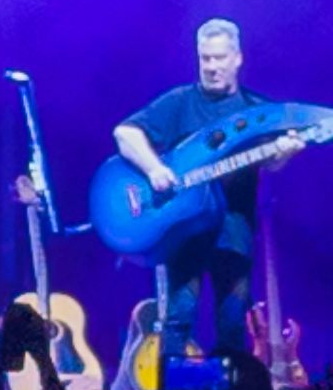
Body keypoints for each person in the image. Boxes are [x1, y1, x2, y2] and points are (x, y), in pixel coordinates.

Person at [111, 18, 300, 359]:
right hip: (185, 234)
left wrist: (284, 155)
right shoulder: (180, 102)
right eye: (205, 59)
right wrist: (154, 168)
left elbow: (271, 162)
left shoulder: (258, 112)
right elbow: (125, 133)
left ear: (238, 58)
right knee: (179, 319)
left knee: (231, 323)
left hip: (234, 232)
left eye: (219, 58)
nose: (211, 67)